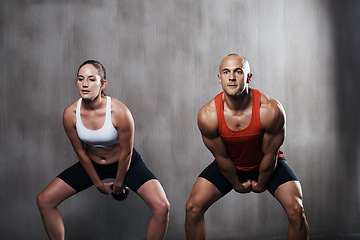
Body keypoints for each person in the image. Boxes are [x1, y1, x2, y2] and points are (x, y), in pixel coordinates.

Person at [37, 60, 170, 240]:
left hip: (126, 163)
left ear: (103, 84)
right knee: (44, 201)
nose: (85, 84)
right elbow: (81, 153)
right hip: (92, 165)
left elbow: (126, 153)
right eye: (80, 79)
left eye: (91, 79)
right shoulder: (70, 114)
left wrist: (119, 183)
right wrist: (98, 184)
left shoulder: (119, 112)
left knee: (162, 207)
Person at [185, 54, 309, 240]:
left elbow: (270, 154)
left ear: (249, 77)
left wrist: (262, 183)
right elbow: (223, 158)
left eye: (238, 72)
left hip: (268, 164)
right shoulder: (208, 115)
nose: (232, 77)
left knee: (296, 209)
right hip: (231, 165)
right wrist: (236, 184)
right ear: (219, 78)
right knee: (192, 208)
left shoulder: (270, 110)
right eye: (226, 72)